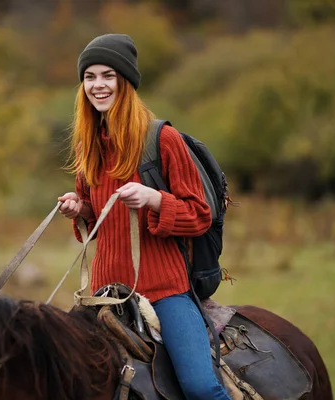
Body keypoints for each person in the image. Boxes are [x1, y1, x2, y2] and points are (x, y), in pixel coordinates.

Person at [58, 33, 230, 400]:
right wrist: (80, 208)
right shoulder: (88, 145)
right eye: (89, 76)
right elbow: (99, 213)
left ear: (126, 81)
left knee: (200, 389)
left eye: (108, 75)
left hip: (163, 291)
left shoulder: (162, 139)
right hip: (105, 295)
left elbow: (199, 214)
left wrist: (154, 199)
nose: (98, 85)